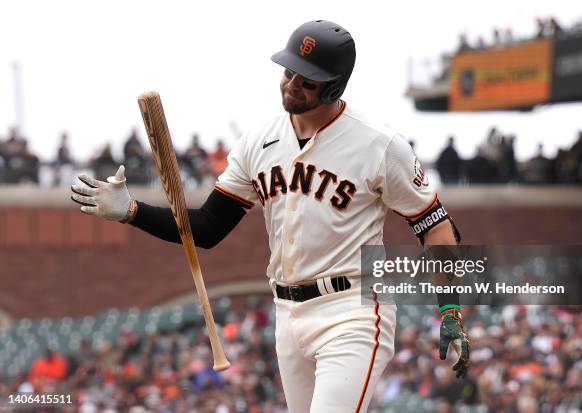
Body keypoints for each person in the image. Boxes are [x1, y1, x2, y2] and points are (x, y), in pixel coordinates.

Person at [70, 20, 469, 412]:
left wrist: (450, 308)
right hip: (287, 313)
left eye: (306, 80)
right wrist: (132, 212)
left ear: (334, 86)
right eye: (289, 72)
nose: (292, 84)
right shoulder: (258, 142)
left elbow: (435, 225)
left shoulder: (380, 145)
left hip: (354, 311)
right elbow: (207, 229)